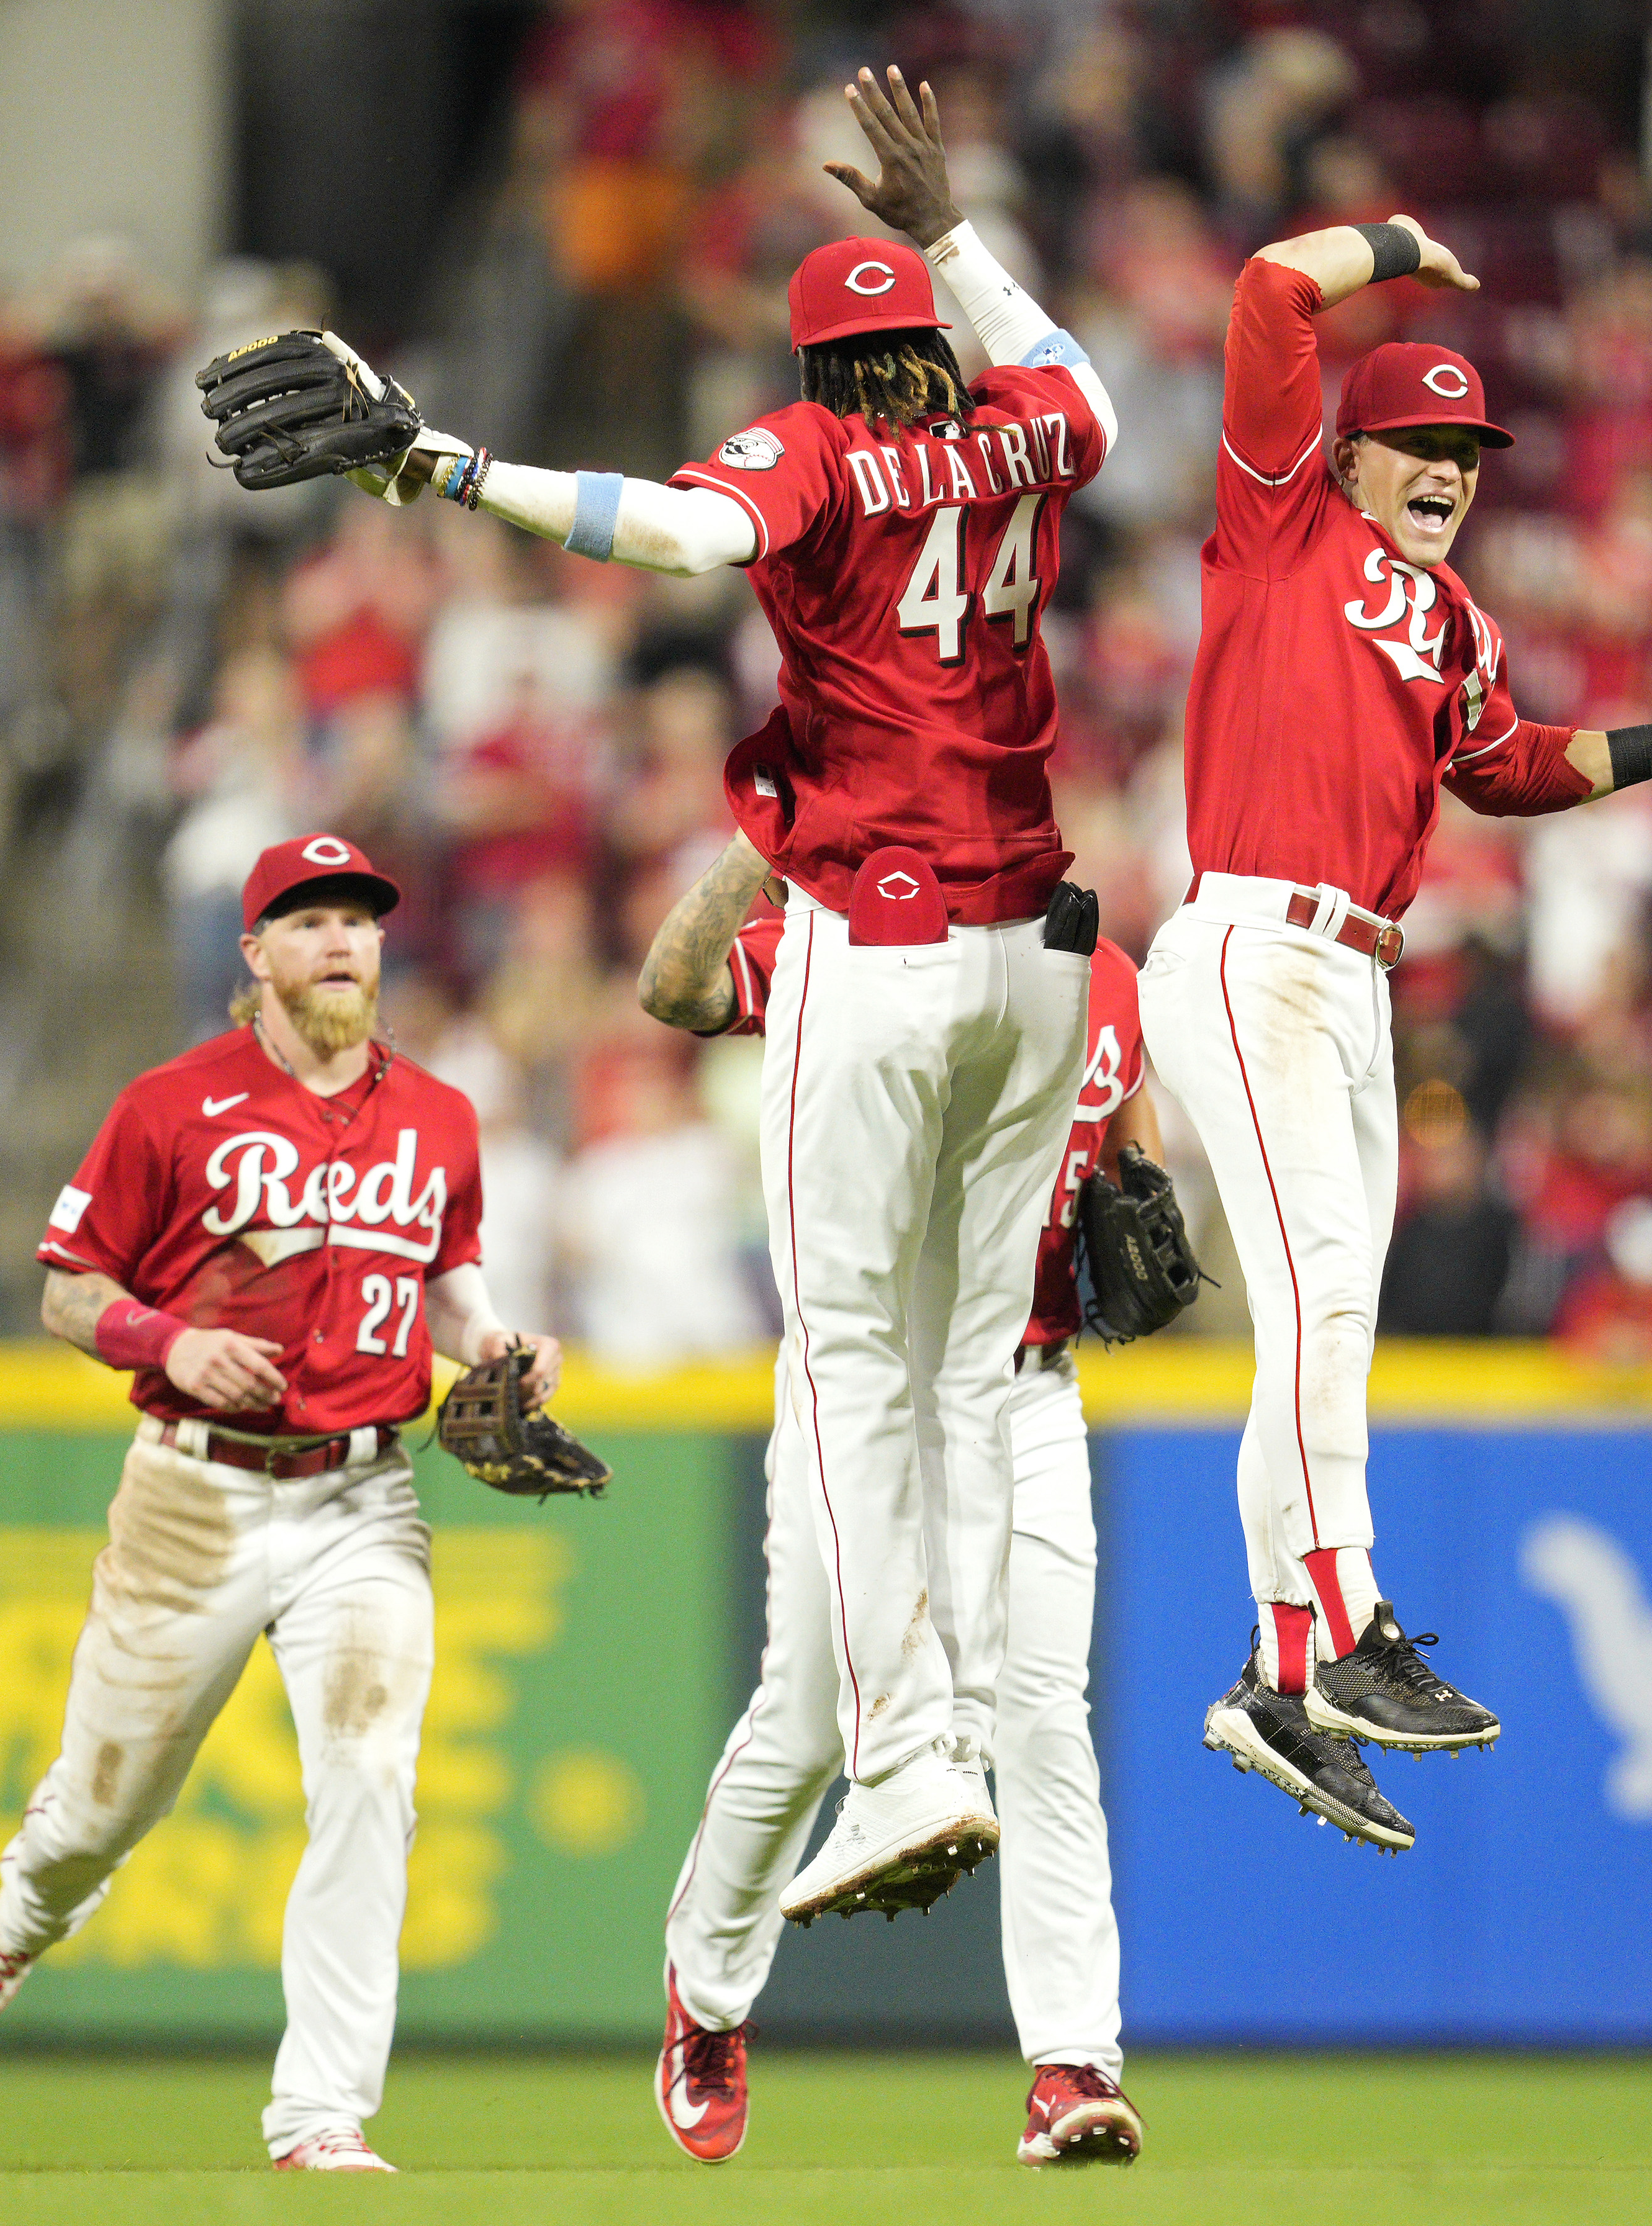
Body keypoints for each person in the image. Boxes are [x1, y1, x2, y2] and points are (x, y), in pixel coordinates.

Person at [322, 68, 1121, 1925]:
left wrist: (445, 469)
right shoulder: (1016, 430)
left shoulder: (818, 452)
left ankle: (913, 1752)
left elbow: (674, 537)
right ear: (928, 340)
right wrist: (948, 232)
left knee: (845, 1365)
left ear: (817, 369)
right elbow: (1073, 378)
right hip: (1039, 957)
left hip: (884, 934)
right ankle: (967, 1735)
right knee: (968, 1368)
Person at [1144, 210, 1652, 1848]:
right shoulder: (1278, 523)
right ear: (1345, 459)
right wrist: (1401, 245)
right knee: (1318, 1292)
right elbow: (1270, 286)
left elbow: (1511, 767)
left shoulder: (1460, 624)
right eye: (1416, 444)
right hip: (1248, 942)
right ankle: (1339, 1626)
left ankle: (1282, 1672)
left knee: (1325, 1323)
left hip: (1355, 980)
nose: (1444, 468)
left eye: (1466, 451)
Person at [0, 834, 563, 2173]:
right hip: (192, 1492)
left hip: (363, 1496)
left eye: (360, 922)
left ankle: (319, 2113)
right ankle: (29, 1908)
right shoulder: (169, 1104)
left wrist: (497, 1343)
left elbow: (444, 1280)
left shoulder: (437, 1114)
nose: (342, 942)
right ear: (253, 953)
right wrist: (167, 1343)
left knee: (372, 1776)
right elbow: (63, 1288)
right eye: (309, 920)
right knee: (109, 1801)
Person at [634, 834, 1146, 2168]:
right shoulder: (842, 951)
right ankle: (710, 1984)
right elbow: (673, 985)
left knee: (1040, 1717)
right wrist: (768, 843)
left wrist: (1133, 1201)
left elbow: (1123, 1146)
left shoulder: (1100, 970)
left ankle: (1069, 2062)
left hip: (1023, 1388)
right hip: (864, 1403)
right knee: (807, 1715)